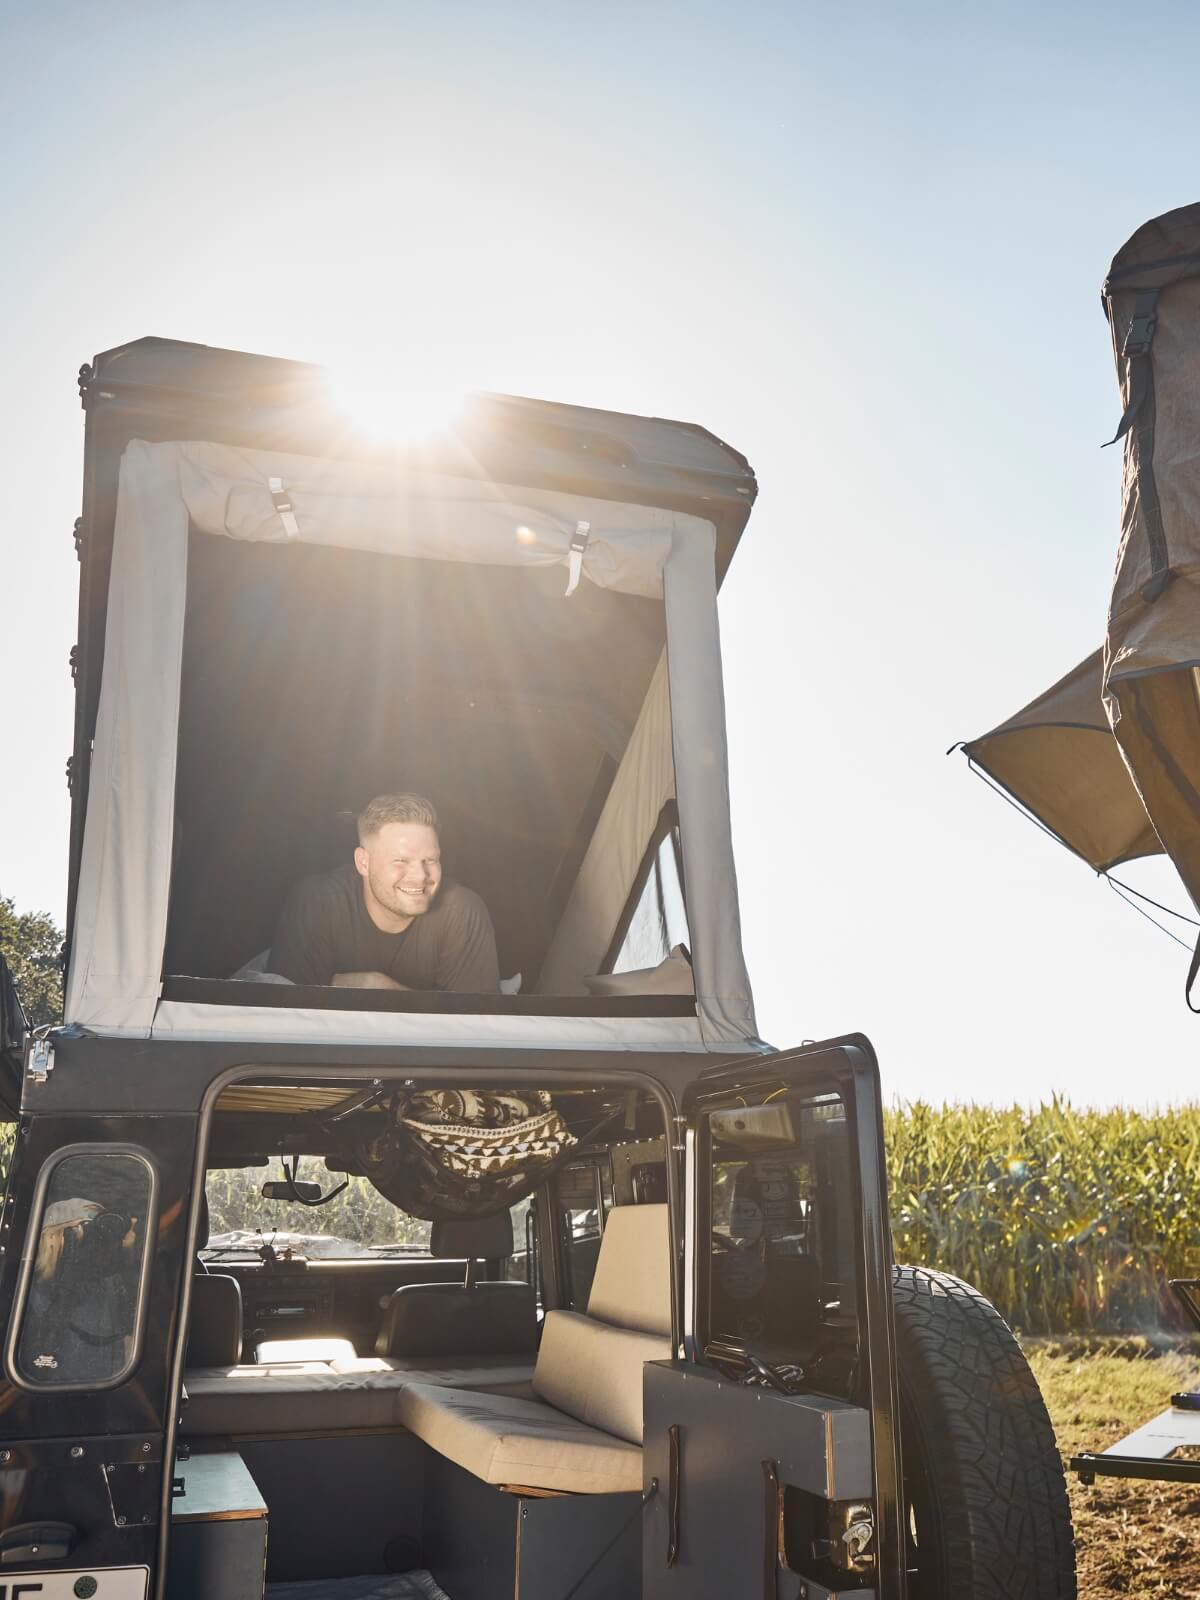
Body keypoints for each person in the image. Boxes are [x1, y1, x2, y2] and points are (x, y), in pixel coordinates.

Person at [269, 793, 500, 993]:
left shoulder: (460, 911)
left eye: (431, 860)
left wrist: (381, 989)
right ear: (363, 863)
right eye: (401, 860)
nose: (420, 875)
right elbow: (282, 1016)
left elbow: (476, 1022)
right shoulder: (318, 903)